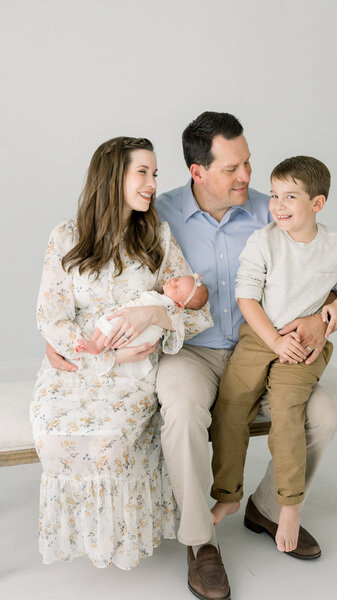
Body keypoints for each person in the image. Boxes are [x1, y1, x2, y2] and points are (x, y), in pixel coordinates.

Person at [47, 113, 337, 600]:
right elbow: (97, 269)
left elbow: (325, 270)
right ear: (197, 172)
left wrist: (327, 315)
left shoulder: (273, 212)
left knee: (325, 415)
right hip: (190, 351)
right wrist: (65, 334)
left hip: (263, 348)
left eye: (247, 163)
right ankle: (199, 541)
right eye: (232, 168)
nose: (246, 176)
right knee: (183, 414)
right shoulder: (155, 216)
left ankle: (267, 507)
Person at [31, 136, 212, 570]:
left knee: (112, 441)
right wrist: (97, 356)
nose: (152, 184)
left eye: (155, 174)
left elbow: (195, 312)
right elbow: (51, 317)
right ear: (113, 176)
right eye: (143, 173)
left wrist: (155, 313)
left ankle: (128, 536)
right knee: (57, 436)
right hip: (75, 367)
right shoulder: (67, 237)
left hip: (135, 372)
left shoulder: (157, 238)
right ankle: (89, 535)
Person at [210, 155, 337, 554]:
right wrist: (273, 341)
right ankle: (228, 492)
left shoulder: (335, 246)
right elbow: (246, 296)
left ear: (317, 204)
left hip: (304, 345)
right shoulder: (264, 240)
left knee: (286, 410)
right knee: (230, 403)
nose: (278, 204)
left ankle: (289, 505)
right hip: (260, 336)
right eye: (275, 194)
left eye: (290, 197)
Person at [76, 274, 208, 381]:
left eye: (177, 287)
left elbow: (185, 322)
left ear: (179, 305)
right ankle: (96, 344)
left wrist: (153, 314)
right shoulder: (161, 298)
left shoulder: (167, 307)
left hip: (140, 334)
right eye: (178, 279)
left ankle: (97, 346)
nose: (173, 281)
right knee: (108, 320)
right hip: (134, 330)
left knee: (111, 322)